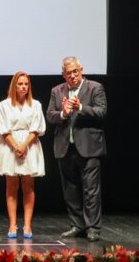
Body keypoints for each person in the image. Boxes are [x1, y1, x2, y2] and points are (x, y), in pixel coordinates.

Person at [46, 57, 107, 242]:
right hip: (65, 147)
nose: (72, 75)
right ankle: (77, 225)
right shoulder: (57, 91)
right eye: (68, 73)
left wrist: (80, 107)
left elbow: (101, 112)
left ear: (81, 70)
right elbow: (50, 115)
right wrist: (63, 113)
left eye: (75, 71)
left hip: (89, 147)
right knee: (70, 190)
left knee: (91, 190)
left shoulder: (95, 87)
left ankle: (92, 228)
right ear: (63, 74)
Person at [0, 71, 46, 239]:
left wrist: (24, 146)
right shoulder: (3, 105)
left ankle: (27, 225)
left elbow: (37, 128)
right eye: (20, 84)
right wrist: (16, 147)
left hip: (30, 145)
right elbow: (2, 129)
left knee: (29, 186)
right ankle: (13, 224)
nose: (23, 87)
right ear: (14, 86)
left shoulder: (36, 105)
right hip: (9, 146)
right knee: (11, 186)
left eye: (26, 84)